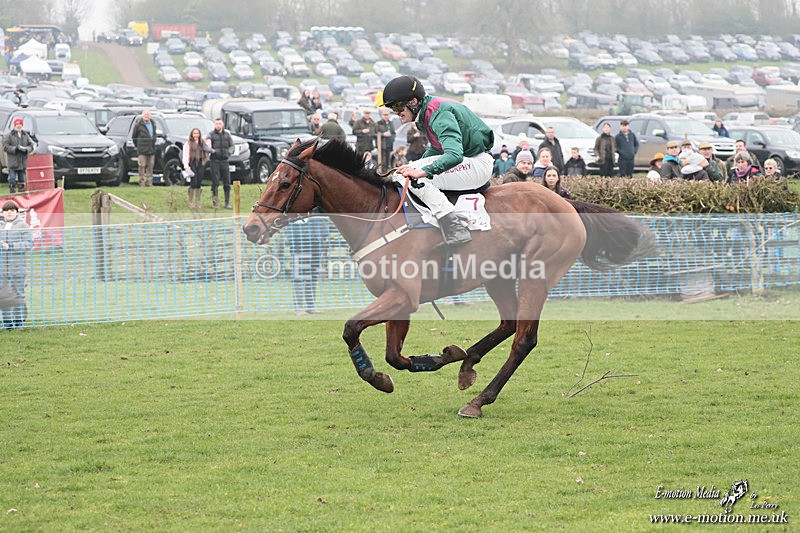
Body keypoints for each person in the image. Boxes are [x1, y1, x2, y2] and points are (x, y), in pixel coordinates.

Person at [378, 75, 494, 248]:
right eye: (391, 107)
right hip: (470, 159)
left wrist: (421, 171)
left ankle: (453, 227)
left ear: (414, 102)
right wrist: (414, 166)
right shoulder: (425, 114)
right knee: (403, 173)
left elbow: (454, 155)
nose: (395, 112)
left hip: (476, 163)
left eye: (397, 106)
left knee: (412, 177)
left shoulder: (438, 114)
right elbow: (437, 148)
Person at [284, 214, 330, 316]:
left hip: (316, 241)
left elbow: (323, 221)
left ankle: (310, 306)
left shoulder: (315, 209)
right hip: (299, 243)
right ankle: (299, 308)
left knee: (312, 275)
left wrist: (322, 234)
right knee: (299, 275)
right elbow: (288, 227)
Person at [0, 200, 33, 329]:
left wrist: (11, 246)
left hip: (18, 269)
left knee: (19, 296)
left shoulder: (23, 226)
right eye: (7, 210)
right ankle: (7, 324)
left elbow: (29, 244)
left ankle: (19, 323)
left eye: (12, 210)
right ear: (3, 212)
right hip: (2, 270)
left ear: (16, 212)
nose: (9, 213)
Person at [208, 118, 235, 209]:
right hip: (214, 161)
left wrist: (229, 152)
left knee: (227, 183)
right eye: (216, 123)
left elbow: (232, 145)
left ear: (222, 124)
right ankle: (215, 203)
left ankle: (227, 203)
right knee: (215, 183)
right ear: (214, 125)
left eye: (220, 123)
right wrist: (212, 151)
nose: (218, 125)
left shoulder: (227, 135)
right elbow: (206, 145)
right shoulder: (211, 135)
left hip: (225, 161)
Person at [2, 118, 34, 193]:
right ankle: (12, 190)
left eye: (20, 124)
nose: (18, 126)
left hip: (22, 162)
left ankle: (21, 191)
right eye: (17, 124)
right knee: (12, 179)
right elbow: (5, 146)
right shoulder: (9, 135)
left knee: (22, 179)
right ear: (14, 125)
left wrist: (26, 149)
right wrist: (14, 149)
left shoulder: (25, 135)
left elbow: (31, 145)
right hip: (13, 162)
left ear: (22, 125)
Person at [182, 128, 211, 210]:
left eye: (197, 133)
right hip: (192, 163)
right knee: (193, 182)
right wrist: (186, 165)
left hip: (201, 163)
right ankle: (190, 202)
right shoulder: (188, 143)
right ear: (192, 134)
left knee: (199, 182)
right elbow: (186, 154)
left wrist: (205, 161)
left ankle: (197, 202)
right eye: (194, 133)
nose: (196, 135)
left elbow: (208, 150)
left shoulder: (203, 142)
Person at [132, 110, 157, 187]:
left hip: (151, 149)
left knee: (150, 166)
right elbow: (134, 137)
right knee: (142, 166)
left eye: (148, 115)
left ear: (150, 116)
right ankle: (141, 182)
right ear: (143, 116)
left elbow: (155, 134)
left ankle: (149, 182)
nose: (146, 116)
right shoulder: (138, 125)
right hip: (142, 150)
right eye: (145, 115)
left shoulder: (153, 124)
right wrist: (138, 146)